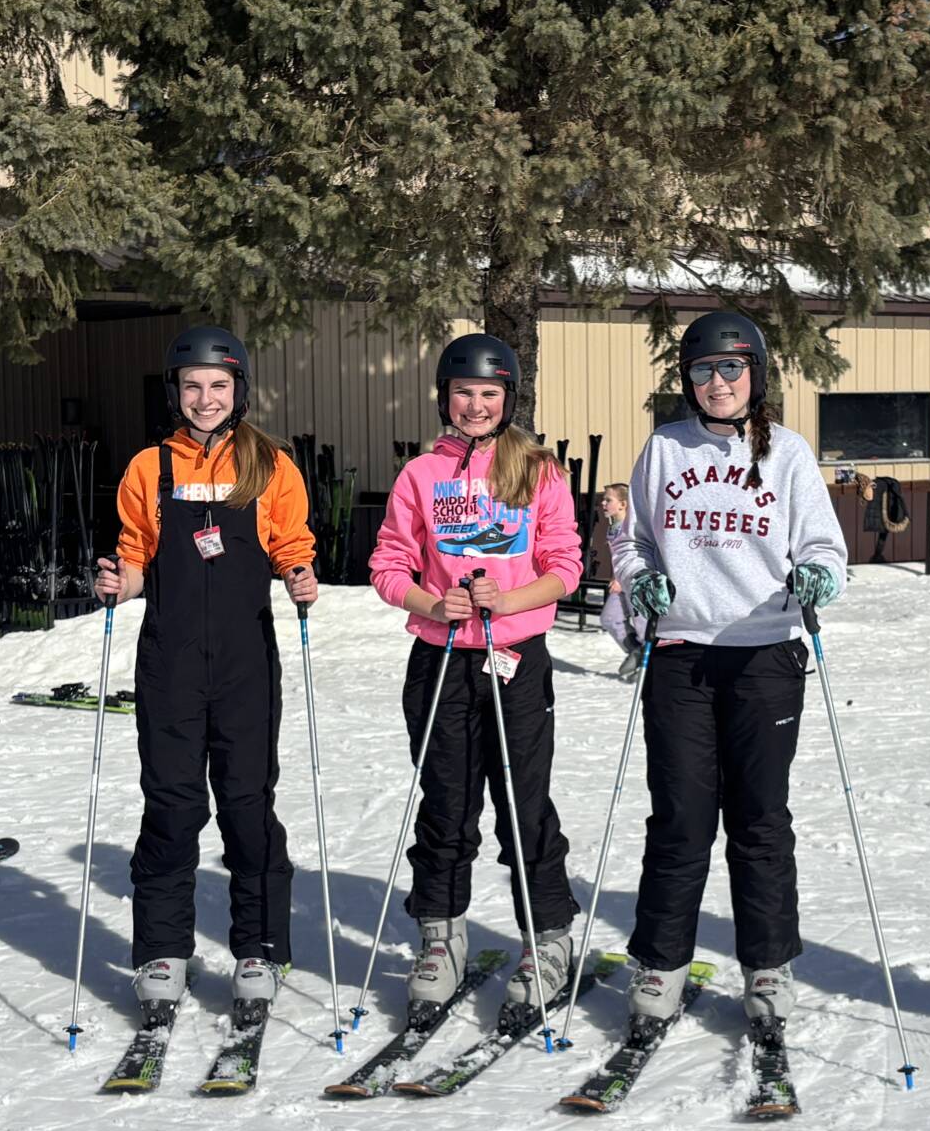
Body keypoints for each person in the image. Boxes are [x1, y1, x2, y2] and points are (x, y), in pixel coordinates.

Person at [610, 311, 848, 1037]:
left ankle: (768, 965)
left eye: (731, 369)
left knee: (759, 818)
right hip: (681, 653)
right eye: (704, 371)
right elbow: (634, 541)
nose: (717, 383)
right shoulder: (664, 450)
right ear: (688, 380)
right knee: (680, 818)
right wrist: (639, 578)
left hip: (767, 651)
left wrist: (817, 576)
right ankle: (661, 963)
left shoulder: (789, 454)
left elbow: (825, 546)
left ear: (758, 375)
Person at [92, 325, 317, 1015]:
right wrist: (117, 583)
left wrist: (301, 576)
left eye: (219, 386)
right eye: (192, 386)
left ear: (238, 391)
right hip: (171, 660)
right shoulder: (148, 468)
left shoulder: (270, 464)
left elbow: (291, 544)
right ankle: (163, 949)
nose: (205, 397)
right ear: (175, 392)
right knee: (172, 802)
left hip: (246, 661)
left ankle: (260, 948)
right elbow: (136, 557)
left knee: (248, 804)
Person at [368, 333, 584, 1013]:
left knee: (523, 804)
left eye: (490, 394)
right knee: (447, 803)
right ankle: (441, 934)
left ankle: (546, 934)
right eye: (464, 393)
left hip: (515, 657)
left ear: (508, 399)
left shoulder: (537, 470)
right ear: (445, 397)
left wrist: (507, 599)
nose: (476, 405)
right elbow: (387, 566)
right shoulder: (419, 477)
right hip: (440, 659)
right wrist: (433, 603)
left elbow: (566, 567)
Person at [596, 483, 647, 681]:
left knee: (643, 626)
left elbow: (637, 555)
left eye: (608, 500)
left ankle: (647, 669)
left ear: (623, 504)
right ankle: (638, 653)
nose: (603, 503)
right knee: (610, 618)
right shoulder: (612, 528)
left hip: (636, 583)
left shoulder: (633, 527)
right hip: (620, 583)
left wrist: (621, 577)